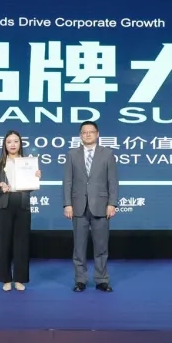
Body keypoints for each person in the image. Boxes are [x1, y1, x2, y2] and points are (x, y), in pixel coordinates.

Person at [63, 120, 118, 292]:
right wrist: (67, 204)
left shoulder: (107, 154)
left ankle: (102, 280)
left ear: (97, 134)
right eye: (84, 132)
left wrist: (112, 203)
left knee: (101, 246)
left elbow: (113, 181)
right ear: (80, 135)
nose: (87, 134)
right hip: (78, 206)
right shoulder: (72, 154)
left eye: (91, 132)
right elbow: (67, 181)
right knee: (79, 247)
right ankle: (80, 280)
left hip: (101, 205)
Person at [0, 130, 41, 292]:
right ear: (5, 145)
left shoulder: (28, 162)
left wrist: (35, 177)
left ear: (20, 144)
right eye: (9, 142)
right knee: (4, 243)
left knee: (22, 243)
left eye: (16, 141)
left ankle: (19, 279)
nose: (12, 144)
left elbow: (30, 187)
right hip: (4, 204)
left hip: (22, 204)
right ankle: (5, 279)